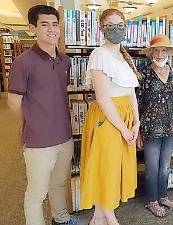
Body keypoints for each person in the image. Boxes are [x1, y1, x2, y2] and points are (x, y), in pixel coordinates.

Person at [7, 5, 78, 225]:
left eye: (55, 24)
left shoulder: (65, 61)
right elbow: (13, 101)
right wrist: (29, 123)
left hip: (64, 137)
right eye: (44, 24)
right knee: (36, 194)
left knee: (58, 183)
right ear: (32, 28)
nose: (51, 30)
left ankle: (62, 219)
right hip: (39, 141)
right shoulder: (23, 62)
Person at [79, 9, 140, 225]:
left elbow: (131, 91)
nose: (116, 29)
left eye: (120, 24)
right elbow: (103, 98)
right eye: (110, 25)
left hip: (126, 118)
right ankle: (109, 217)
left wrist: (137, 123)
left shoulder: (124, 56)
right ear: (102, 29)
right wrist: (124, 128)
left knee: (116, 167)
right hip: (109, 119)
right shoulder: (99, 54)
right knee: (106, 168)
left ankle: (98, 217)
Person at [137, 35, 173, 217]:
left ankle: (163, 196)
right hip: (150, 128)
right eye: (156, 50)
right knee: (152, 167)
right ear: (151, 53)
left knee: (165, 166)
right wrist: (137, 129)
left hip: (170, 127)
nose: (160, 53)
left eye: (164, 50)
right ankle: (151, 201)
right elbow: (138, 102)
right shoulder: (144, 73)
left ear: (169, 53)